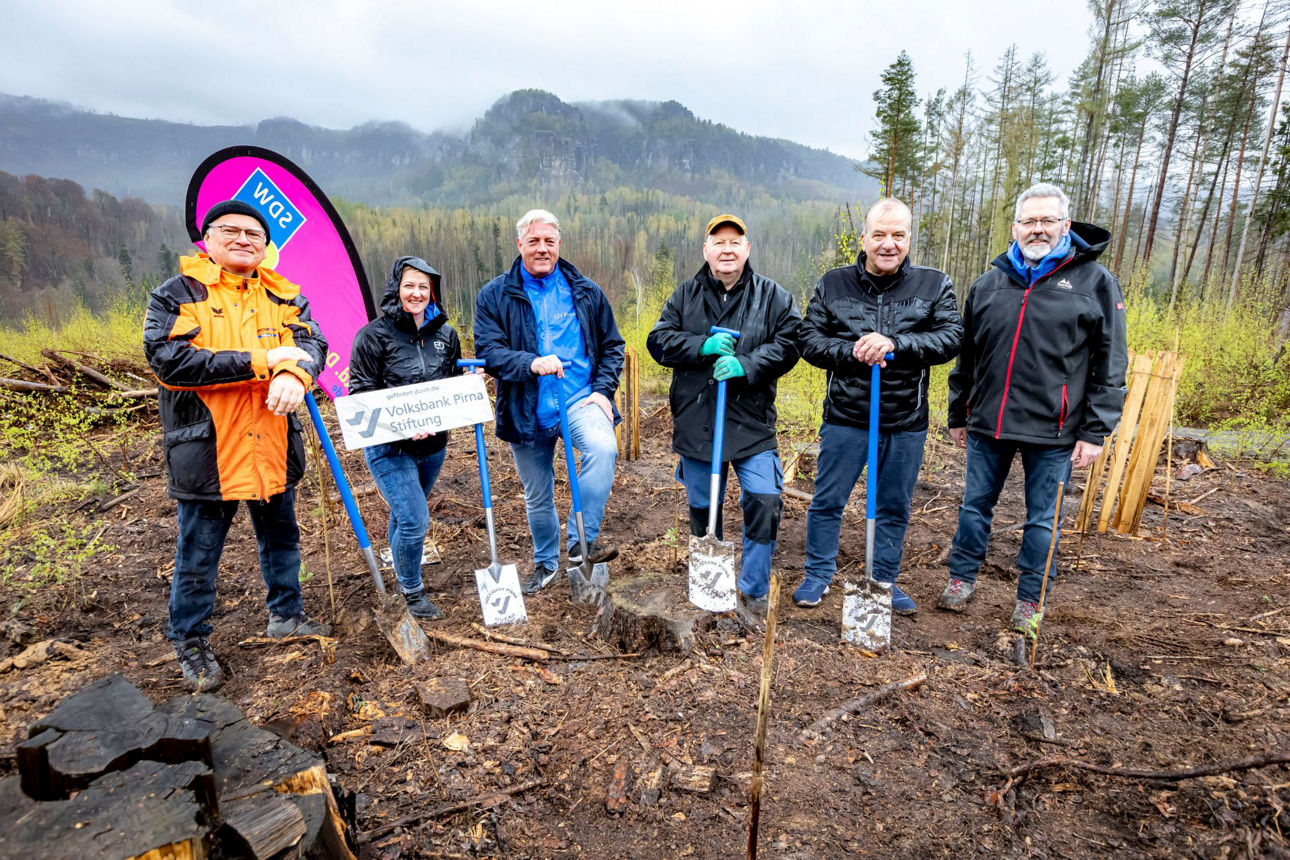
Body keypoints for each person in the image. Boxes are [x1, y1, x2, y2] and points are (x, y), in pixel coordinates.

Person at [143, 200, 330, 692]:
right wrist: (264, 361)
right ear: (208, 237)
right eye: (231, 231)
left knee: (282, 540)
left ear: (267, 247)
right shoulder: (177, 295)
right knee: (199, 553)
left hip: (272, 443)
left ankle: (287, 615)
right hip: (210, 451)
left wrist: (297, 371)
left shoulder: (283, 294)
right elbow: (171, 362)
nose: (244, 239)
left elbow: (312, 343)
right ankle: (190, 639)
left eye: (254, 234)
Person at [940, 182, 1128, 636]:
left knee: (1042, 521)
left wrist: (1095, 431)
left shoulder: (1094, 283)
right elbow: (968, 356)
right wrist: (958, 412)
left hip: (1056, 430)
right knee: (973, 508)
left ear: (1065, 225)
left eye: (1047, 220)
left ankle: (1030, 600)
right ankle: (961, 579)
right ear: (1015, 227)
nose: (1038, 229)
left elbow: (1112, 362)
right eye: (1029, 221)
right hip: (990, 423)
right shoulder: (989, 283)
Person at [795, 198, 962, 613]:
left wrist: (897, 344)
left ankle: (882, 580)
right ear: (864, 238)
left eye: (898, 235)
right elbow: (809, 340)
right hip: (847, 416)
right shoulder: (833, 283)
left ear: (909, 239)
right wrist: (854, 351)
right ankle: (818, 573)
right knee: (828, 499)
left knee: (893, 504)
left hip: (904, 419)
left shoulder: (934, 284)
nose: (889, 244)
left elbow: (950, 337)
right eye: (880, 235)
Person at [647, 214, 801, 623]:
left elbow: (791, 344)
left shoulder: (774, 297)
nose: (727, 249)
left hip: (751, 422)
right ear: (706, 250)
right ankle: (709, 581)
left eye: (735, 242)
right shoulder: (685, 295)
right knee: (703, 506)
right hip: (699, 420)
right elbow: (657, 341)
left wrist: (747, 365)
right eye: (719, 242)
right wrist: (701, 346)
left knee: (765, 501)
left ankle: (752, 590)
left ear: (747, 249)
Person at [474, 209, 625, 594]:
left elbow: (612, 346)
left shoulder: (585, 290)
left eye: (549, 241)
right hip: (526, 406)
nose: (542, 248)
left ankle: (581, 543)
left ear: (559, 244)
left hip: (578, 400)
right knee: (537, 492)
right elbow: (489, 352)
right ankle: (544, 562)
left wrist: (603, 391)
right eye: (534, 241)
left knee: (603, 448)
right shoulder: (495, 295)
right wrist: (530, 363)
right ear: (520, 243)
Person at [350, 256, 463, 620]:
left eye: (424, 287)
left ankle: (399, 565)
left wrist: (460, 399)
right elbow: (360, 393)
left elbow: (450, 385)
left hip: (433, 446)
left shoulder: (446, 335)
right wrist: (400, 425)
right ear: (396, 288)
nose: (416, 293)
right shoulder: (373, 336)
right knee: (415, 519)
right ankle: (411, 592)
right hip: (390, 447)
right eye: (409, 285)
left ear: (433, 292)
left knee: (405, 515)